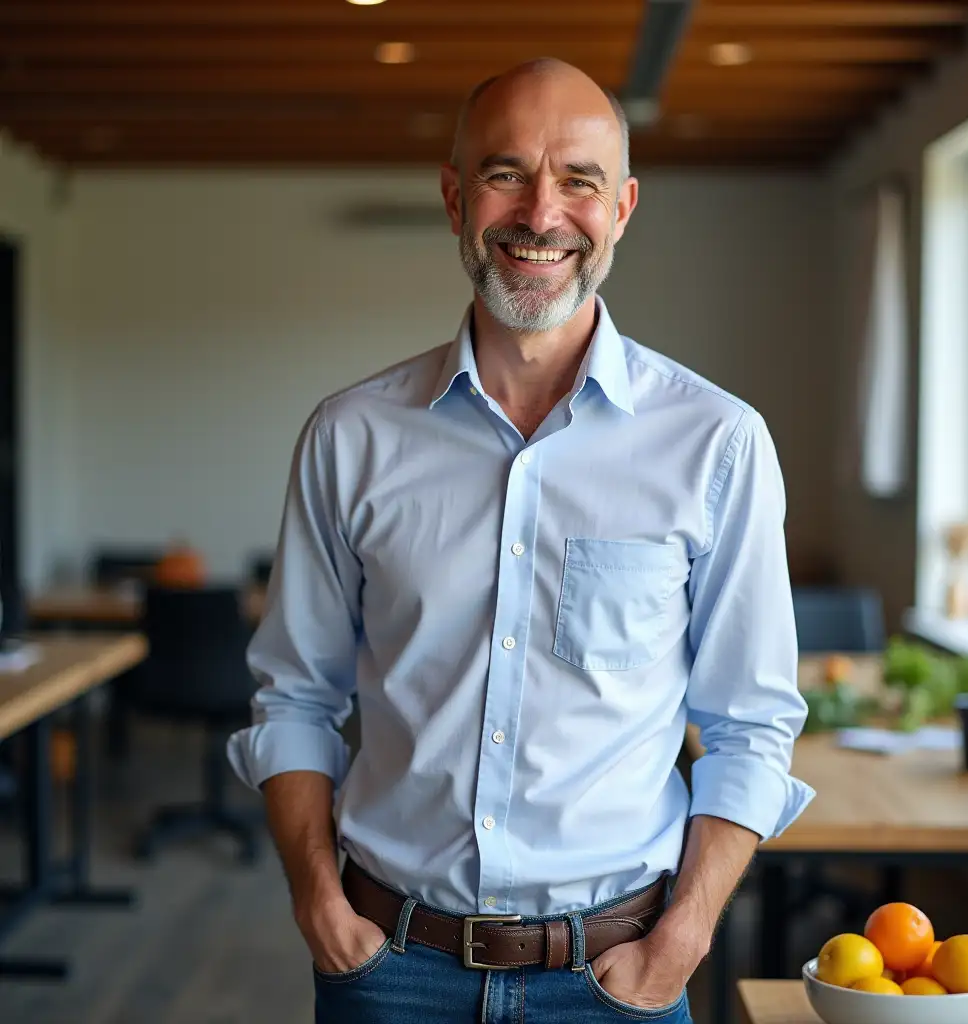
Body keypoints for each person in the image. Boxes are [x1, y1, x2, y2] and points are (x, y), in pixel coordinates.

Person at [227, 58, 814, 1024]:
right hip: (389, 970)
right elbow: (294, 694)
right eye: (506, 173)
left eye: (578, 179)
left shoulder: (716, 442)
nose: (541, 213)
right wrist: (318, 907)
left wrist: (683, 940)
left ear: (622, 207)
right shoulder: (351, 436)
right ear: (456, 198)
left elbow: (751, 726)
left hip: (616, 979)